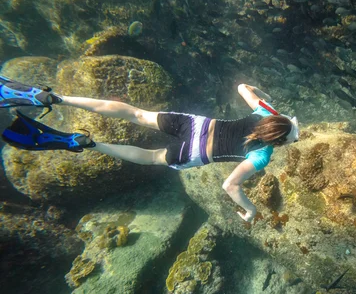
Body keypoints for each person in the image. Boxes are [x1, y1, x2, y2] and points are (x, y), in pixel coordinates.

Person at [0, 75, 299, 221]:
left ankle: (55, 99)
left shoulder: (268, 113)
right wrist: (250, 209)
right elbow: (229, 185)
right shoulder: (262, 156)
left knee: (136, 114)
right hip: (197, 153)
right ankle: (90, 143)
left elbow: (242, 88)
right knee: (151, 157)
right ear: (280, 143)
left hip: (197, 125)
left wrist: (259, 91)